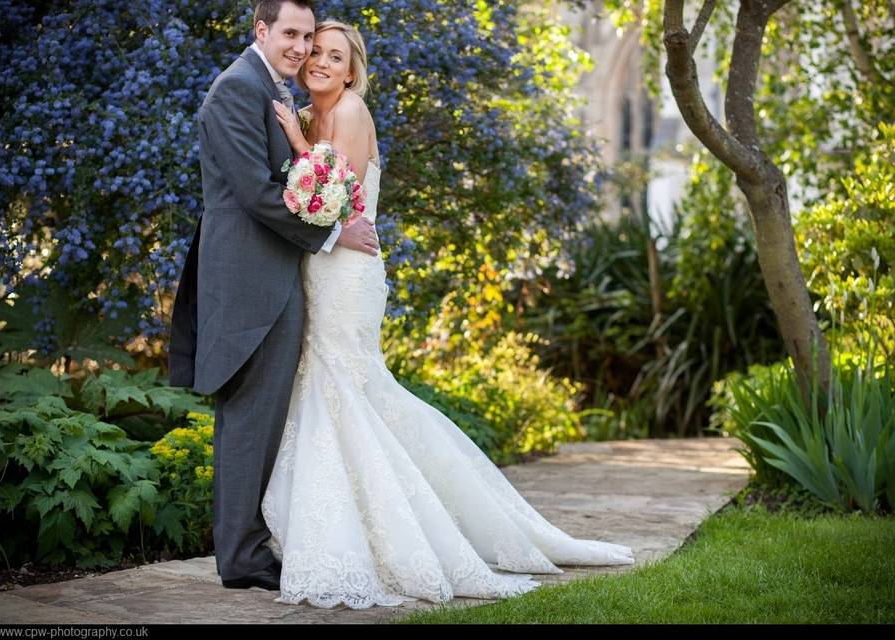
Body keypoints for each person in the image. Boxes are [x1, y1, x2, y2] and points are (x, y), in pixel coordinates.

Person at [261, 20, 635, 610]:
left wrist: (300, 145)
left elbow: (347, 197)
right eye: (316, 52)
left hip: (350, 274)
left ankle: (392, 532)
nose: (321, 62)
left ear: (352, 70)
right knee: (335, 388)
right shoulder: (303, 115)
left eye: (336, 56)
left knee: (346, 384)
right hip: (319, 265)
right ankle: (347, 524)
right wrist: (297, 135)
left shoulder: (351, 112)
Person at [167, 0, 380, 591]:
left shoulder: (274, 91)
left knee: (265, 419)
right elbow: (261, 195)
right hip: (248, 283)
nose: (300, 47)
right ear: (262, 30)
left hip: (275, 274)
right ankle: (240, 557)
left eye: (308, 37)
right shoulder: (239, 89)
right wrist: (335, 231)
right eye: (291, 34)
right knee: (248, 418)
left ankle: (253, 547)